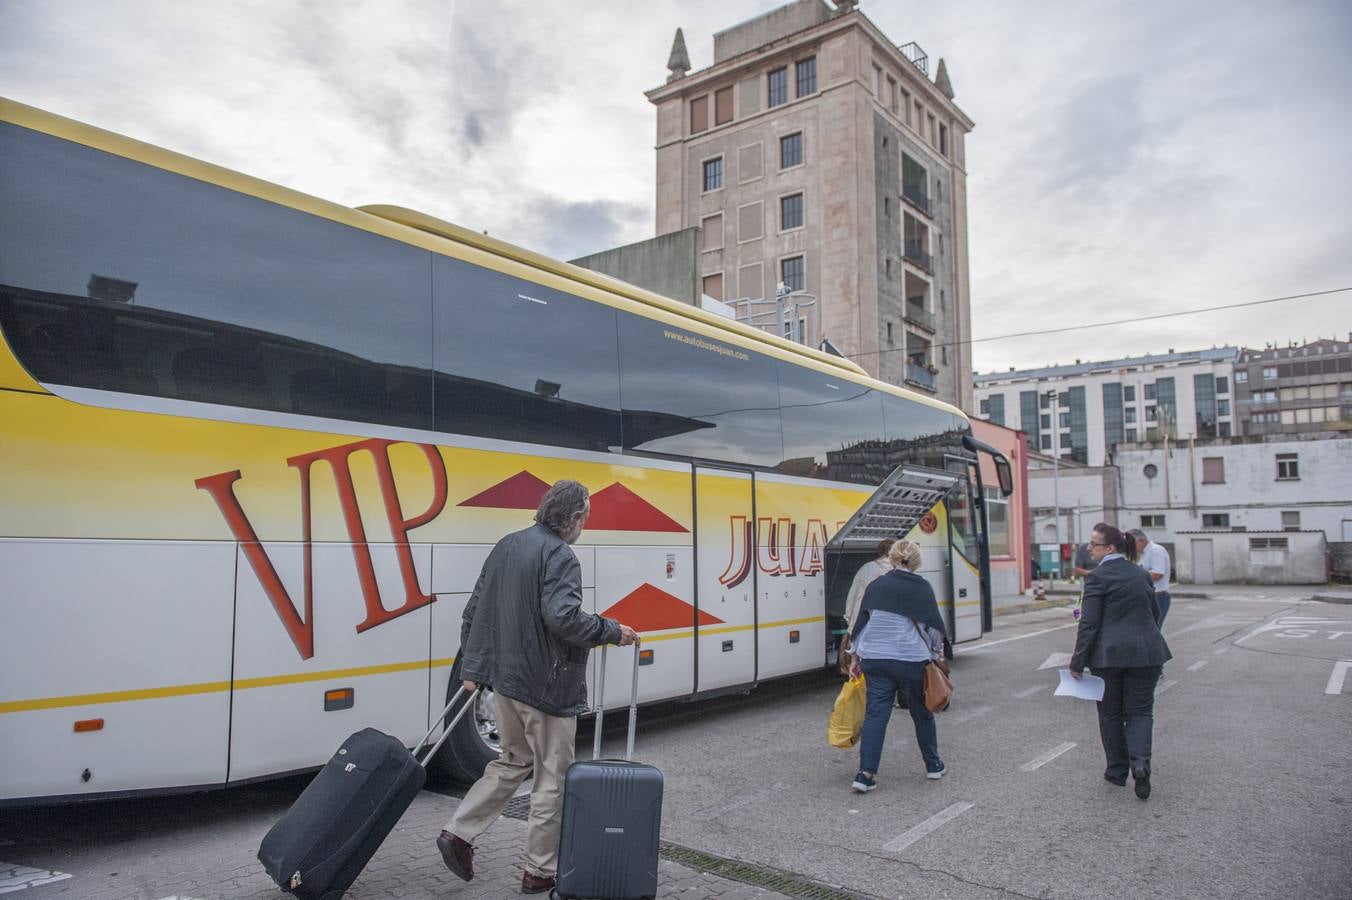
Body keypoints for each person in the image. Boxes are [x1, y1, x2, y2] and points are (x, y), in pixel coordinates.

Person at [436, 479, 639, 895]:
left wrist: (474, 669)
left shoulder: (508, 544)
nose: (584, 525)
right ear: (574, 517)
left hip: (507, 686)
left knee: (511, 762)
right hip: (547, 689)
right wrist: (611, 630)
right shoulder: (561, 555)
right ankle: (539, 871)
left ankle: (459, 832)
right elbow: (563, 617)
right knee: (552, 778)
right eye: (585, 517)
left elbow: (474, 610)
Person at [1069, 523, 1172, 801]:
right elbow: (1153, 613)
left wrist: (1077, 662)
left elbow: (1089, 625)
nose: (1089, 548)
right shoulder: (1140, 575)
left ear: (1110, 548)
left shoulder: (1097, 578)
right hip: (1147, 654)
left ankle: (1116, 771)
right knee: (1140, 712)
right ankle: (1140, 764)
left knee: (1111, 714)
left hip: (1109, 657)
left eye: (1094, 544)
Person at [845, 539, 947, 793]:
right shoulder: (922, 587)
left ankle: (865, 774)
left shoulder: (877, 585)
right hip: (911, 659)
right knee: (921, 712)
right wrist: (936, 653)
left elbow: (862, 624)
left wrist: (855, 657)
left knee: (876, 714)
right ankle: (933, 765)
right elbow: (933, 628)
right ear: (916, 560)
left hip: (876, 659)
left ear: (891, 558)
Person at [839, 539, 895, 674]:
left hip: (865, 626)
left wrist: (849, 619)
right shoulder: (899, 572)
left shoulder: (867, 568)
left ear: (880, 551)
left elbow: (852, 596)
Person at [1129, 528, 1172, 626]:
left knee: (1153, 631)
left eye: (1131, 544)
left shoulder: (1156, 550)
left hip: (1158, 598)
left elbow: (1158, 574)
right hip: (1148, 598)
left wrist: (1134, 577)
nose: (1131, 547)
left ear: (1141, 540)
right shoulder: (1145, 553)